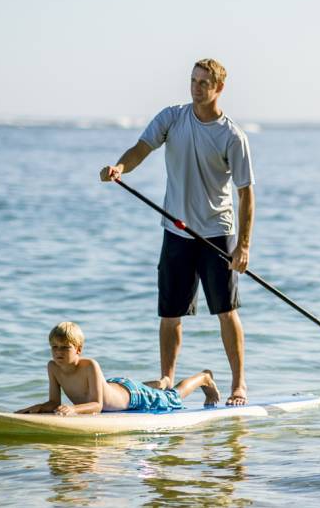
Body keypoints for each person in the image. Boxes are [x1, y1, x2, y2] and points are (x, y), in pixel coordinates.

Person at [100, 58, 255, 406]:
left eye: (204, 83)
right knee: (170, 314)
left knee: (226, 312)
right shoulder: (172, 117)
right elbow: (141, 149)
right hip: (176, 231)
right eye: (193, 81)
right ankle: (167, 376)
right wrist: (120, 167)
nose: (196, 87)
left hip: (216, 233)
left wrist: (242, 246)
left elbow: (246, 194)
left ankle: (239, 384)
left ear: (219, 88)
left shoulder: (232, 136)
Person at [16, 322, 219, 415]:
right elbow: (54, 401)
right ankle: (160, 383)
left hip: (132, 394)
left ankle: (203, 378)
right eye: (54, 347)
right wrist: (39, 408)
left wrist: (73, 410)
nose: (58, 352)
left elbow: (96, 405)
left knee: (172, 398)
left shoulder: (90, 366)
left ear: (78, 349)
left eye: (65, 348)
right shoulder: (53, 367)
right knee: (159, 388)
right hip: (114, 386)